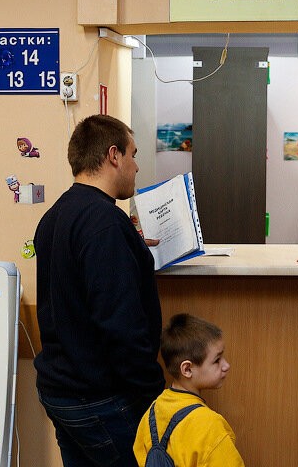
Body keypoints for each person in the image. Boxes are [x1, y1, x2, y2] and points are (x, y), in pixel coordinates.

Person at [34, 114, 166, 467]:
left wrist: (128, 246)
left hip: (60, 391)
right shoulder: (104, 222)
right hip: (99, 398)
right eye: (133, 154)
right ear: (113, 155)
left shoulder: (56, 216)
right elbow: (119, 323)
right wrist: (154, 390)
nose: (137, 166)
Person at [133, 313, 245, 467]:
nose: (226, 366)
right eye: (217, 360)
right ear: (187, 369)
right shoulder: (209, 426)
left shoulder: (152, 412)